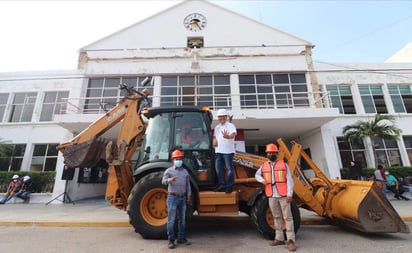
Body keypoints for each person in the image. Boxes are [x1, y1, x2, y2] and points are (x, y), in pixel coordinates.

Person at [255, 143, 296, 252]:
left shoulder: (284, 165)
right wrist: (262, 180)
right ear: (267, 154)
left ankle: (291, 240)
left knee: (288, 217)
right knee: (276, 217)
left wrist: (289, 194)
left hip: (283, 195)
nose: (271, 154)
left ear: (277, 154)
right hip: (271, 195)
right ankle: (279, 238)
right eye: (269, 153)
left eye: (273, 152)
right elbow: (257, 175)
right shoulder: (264, 166)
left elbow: (290, 180)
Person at [162, 149, 192, 249]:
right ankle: (171, 240)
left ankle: (181, 238)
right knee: (171, 220)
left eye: (180, 158)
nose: (178, 160)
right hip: (172, 197)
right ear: (173, 160)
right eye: (177, 159)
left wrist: (188, 195)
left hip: (182, 198)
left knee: (182, 220)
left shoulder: (185, 172)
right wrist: (171, 179)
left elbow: (188, 185)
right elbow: (163, 181)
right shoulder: (169, 171)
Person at [213, 108, 237, 193]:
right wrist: (214, 140)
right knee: (218, 168)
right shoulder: (217, 127)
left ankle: (229, 186)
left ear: (226, 117)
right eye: (220, 117)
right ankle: (222, 185)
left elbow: (233, 134)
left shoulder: (230, 125)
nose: (221, 118)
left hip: (228, 151)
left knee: (229, 168)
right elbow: (215, 137)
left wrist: (228, 136)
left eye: (223, 116)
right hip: (218, 151)